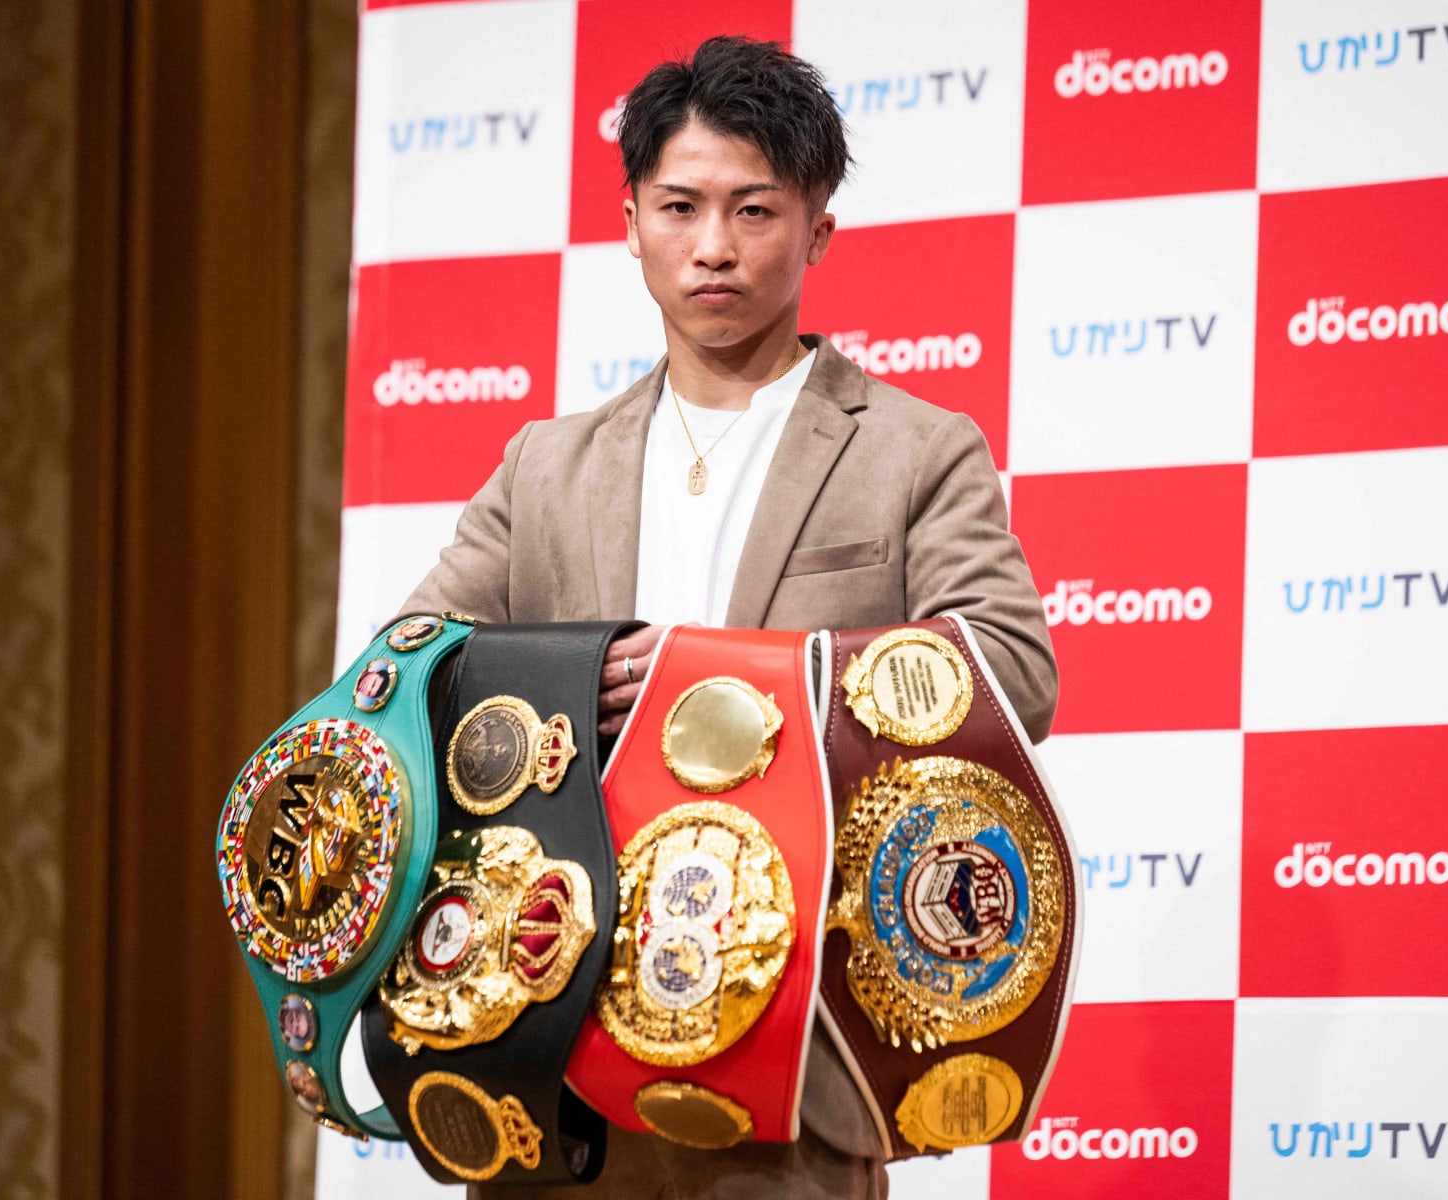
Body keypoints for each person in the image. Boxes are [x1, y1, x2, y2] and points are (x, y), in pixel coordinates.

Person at [397, 34, 1056, 1199]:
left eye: (754, 210)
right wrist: (569, 677)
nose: (713, 247)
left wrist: (719, 677)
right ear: (633, 221)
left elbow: (1009, 672)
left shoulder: (915, 450)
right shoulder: (545, 464)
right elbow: (409, 673)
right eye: (680, 206)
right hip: (550, 1064)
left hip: (797, 1058)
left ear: (818, 230)